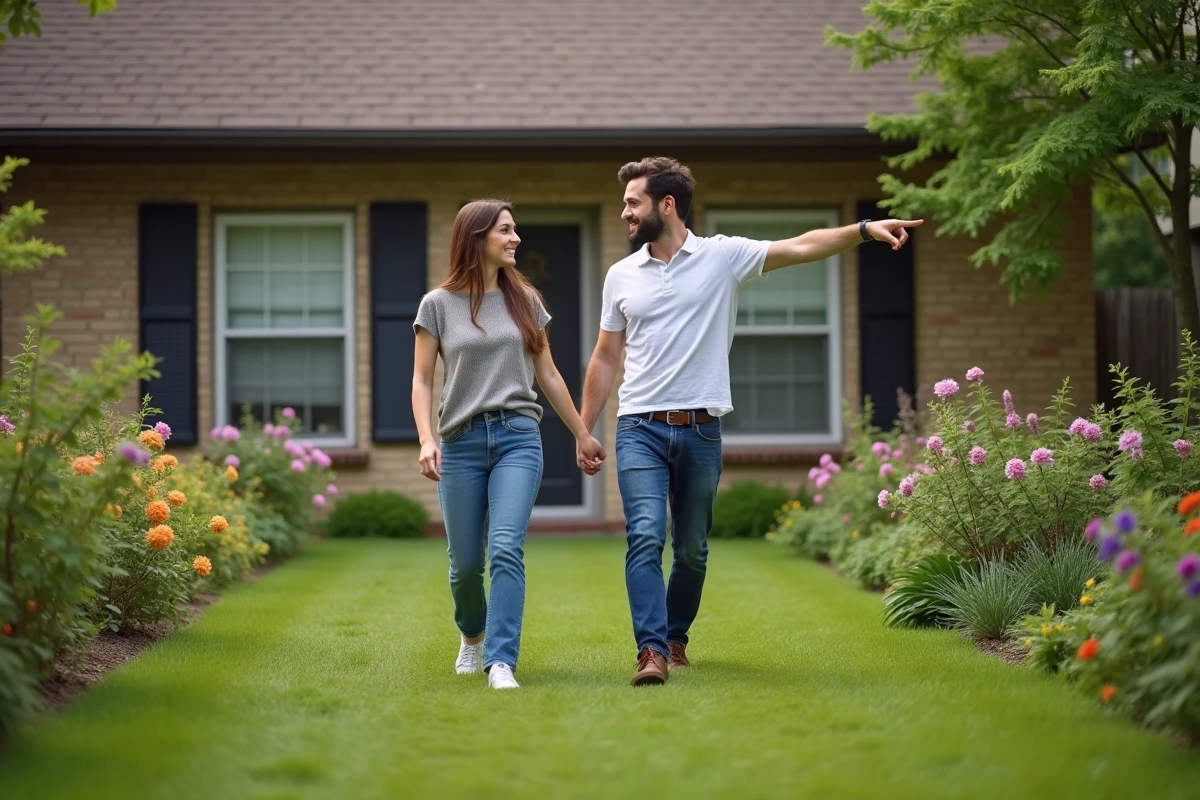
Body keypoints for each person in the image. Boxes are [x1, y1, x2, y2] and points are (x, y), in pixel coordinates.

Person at [578, 157, 921, 686]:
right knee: (645, 534)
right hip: (639, 426)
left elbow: (801, 246)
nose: (624, 212)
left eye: (632, 202)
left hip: (700, 428)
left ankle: (675, 637)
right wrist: (585, 427)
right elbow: (604, 356)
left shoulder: (722, 257)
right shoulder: (621, 274)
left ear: (665, 205)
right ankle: (650, 652)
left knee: (692, 548)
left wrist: (862, 230)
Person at [412, 199, 605, 690]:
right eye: (506, 230)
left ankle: (501, 661)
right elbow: (420, 380)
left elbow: (549, 373)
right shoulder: (437, 305)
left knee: (505, 549)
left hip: (519, 436)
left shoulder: (525, 300)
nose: (516, 238)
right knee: (465, 566)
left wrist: (582, 432)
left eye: (514, 230)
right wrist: (426, 439)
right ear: (476, 237)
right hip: (460, 442)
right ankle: (471, 636)